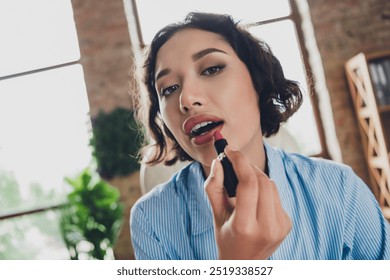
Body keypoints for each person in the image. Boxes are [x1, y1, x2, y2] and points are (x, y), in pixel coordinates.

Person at [130, 12, 390, 260]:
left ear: (258, 80)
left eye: (211, 69)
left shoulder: (341, 187)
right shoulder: (151, 218)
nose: (186, 99)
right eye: (169, 89)